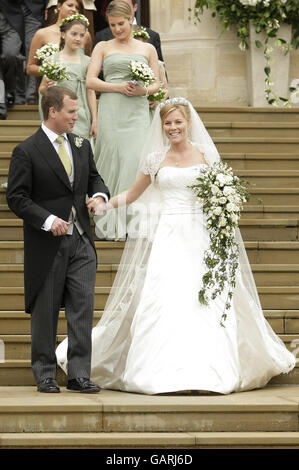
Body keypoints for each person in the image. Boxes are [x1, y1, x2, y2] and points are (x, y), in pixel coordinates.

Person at [56, 97, 296, 395]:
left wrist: (223, 215)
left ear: (188, 123)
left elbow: (223, 194)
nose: (173, 127)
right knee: (166, 295)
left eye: (178, 122)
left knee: (206, 299)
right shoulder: (155, 159)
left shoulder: (207, 154)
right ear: (162, 126)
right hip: (169, 235)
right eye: (167, 123)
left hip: (203, 236)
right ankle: (158, 370)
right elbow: (133, 193)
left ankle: (211, 370)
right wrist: (105, 204)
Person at [6, 85, 110, 394]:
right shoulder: (26, 150)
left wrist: (100, 196)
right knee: (46, 311)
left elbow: (93, 177)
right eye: (71, 111)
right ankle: (46, 374)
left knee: (82, 308)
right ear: (53, 112)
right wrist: (48, 220)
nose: (76, 117)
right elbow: (17, 198)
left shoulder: (80, 144)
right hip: (47, 244)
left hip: (81, 241)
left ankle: (79, 374)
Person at [87, 0, 160, 239]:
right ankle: (108, 221)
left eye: (121, 23)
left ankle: (134, 223)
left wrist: (144, 91)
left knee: (135, 160)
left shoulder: (147, 48)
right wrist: (118, 86)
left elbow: (157, 83)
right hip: (111, 109)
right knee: (111, 159)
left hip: (137, 112)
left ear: (131, 19)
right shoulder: (102, 46)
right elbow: (90, 81)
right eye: (113, 24)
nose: (117, 29)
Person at [39, 14, 97, 143]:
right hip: (60, 113)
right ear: (63, 34)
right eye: (74, 34)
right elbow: (42, 89)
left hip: (81, 113)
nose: (78, 38)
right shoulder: (52, 60)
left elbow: (90, 91)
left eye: (82, 35)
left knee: (81, 147)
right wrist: (48, 88)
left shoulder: (87, 61)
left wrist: (95, 119)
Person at [27, 0, 92, 81]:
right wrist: (51, 70)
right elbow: (30, 68)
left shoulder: (85, 35)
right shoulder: (42, 34)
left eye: (77, 8)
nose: (74, 9)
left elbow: (89, 67)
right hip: (51, 86)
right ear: (59, 6)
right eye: (70, 5)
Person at [0, 0, 47, 105]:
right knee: (11, 54)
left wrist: (47, 6)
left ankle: (31, 94)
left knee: (33, 50)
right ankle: (17, 93)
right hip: (9, 9)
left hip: (35, 9)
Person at [94, 0, 164, 63]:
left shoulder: (153, 36)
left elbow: (160, 70)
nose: (117, 29)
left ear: (135, 7)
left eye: (125, 6)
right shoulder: (101, 37)